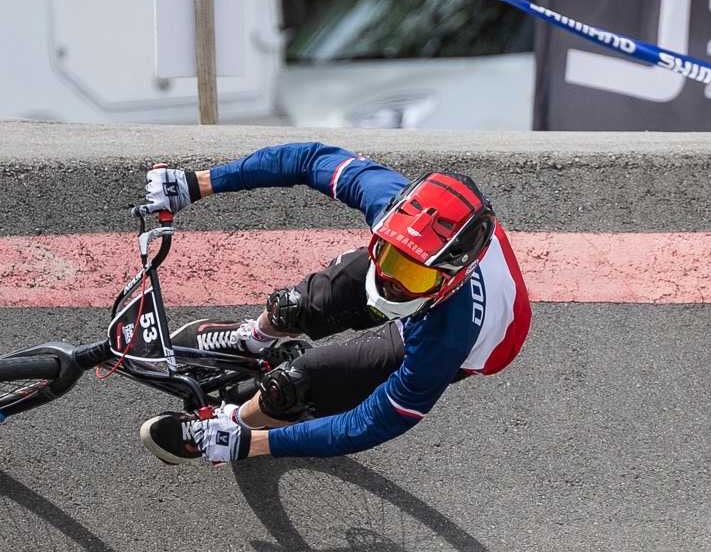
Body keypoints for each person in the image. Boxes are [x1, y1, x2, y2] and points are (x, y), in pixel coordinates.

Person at [134, 146, 532, 466]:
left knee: (293, 388)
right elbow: (307, 160)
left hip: (467, 337)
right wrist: (194, 183)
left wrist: (247, 445)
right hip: (426, 271)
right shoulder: (392, 205)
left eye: (412, 277)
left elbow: (369, 425)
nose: (391, 284)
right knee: (294, 306)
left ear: (451, 279)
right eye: (388, 257)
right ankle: (253, 339)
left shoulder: (446, 340)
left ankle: (231, 426)